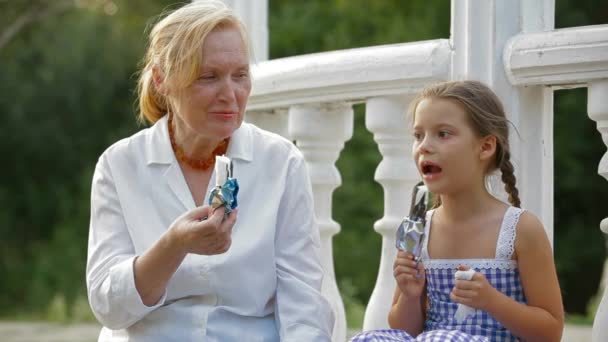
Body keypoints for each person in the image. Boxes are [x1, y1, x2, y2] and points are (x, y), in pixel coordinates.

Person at [85, 1, 334, 341]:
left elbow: (303, 305)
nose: (230, 95)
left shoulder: (281, 162)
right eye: (209, 76)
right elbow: (108, 307)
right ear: (162, 79)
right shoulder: (120, 165)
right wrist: (173, 246)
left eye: (240, 75)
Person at [351, 80, 564, 341]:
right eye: (418, 135)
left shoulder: (520, 229)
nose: (424, 146)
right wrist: (410, 294)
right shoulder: (419, 232)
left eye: (443, 134)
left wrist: (491, 300)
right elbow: (405, 333)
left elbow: (551, 331)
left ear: (485, 146)